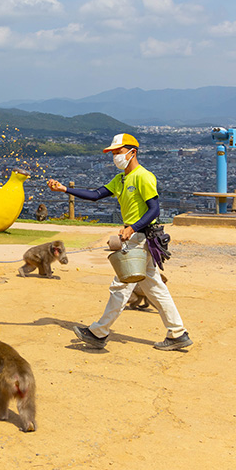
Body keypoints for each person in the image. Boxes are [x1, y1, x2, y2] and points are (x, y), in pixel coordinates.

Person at [46, 133, 192, 351]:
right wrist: (64, 189)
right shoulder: (121, 179)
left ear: (132, 152)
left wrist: (132, 227)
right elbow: (96, 194)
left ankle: (99, 332)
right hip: (137, 238)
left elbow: (155, 209)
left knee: (121, 286)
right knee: (154, 287)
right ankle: (177, 332)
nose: (115, 156)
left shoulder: (143, 176)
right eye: (113, 153)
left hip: (138, 238)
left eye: (118, 152)